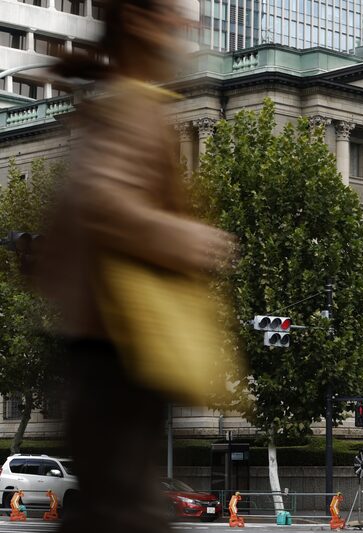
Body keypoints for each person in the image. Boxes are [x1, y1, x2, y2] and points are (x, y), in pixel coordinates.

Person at [39, 0, 235, 532]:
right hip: (118, 348)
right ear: (140, 23)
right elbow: (105, 203)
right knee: (128, 516)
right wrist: (188, 237)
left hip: (113, 348)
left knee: (118, 512)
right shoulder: (132, 108)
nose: (187, 26)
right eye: (174, 15)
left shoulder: (128, 105)